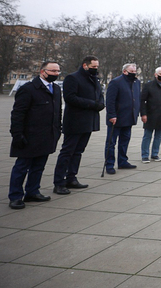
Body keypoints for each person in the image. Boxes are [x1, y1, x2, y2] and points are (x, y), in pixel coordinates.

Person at [8, 61, 62, 209]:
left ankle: (32, 191)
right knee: (21, 167)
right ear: (42, 71)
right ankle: (15, 196)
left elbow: (58, 112)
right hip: (29, 136)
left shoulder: (56, 89)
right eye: (52, 71)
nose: (56, 74)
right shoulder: (28, 89)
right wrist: (17, 135)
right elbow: (18, 114)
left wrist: (58, 129)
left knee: (39, 166)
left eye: (58, 71)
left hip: (47, 135)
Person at [52, 56, 104, 195]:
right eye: (93, 67)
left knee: (78, 151)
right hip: (75, 121)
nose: (95, 69)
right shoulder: (73, 78)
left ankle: (71, 177)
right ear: (85, 65)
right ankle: (59, 182)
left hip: (89, 121)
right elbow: (70, 98)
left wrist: (100, 103)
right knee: (67, 151)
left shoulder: (94, 79)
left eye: (97, 67)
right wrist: (92, 104)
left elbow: (99, 95)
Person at [104, 63, 140, 174]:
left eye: (135, 72)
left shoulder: (136, 82)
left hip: (129, 117)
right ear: (125, 71)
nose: (133, 74)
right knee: (111, 143)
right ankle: (109, 164)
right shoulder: (116, 82)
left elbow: (137, 98)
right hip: (117, 117)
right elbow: (110, 101)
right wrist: (111, 115)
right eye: (131, 72)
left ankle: (122, 161)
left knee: (124, 141)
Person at [139, 67, 161, 163]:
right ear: (155, 74)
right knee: (147, 135)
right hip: (151, 114)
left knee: (159, 136)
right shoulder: (149, 85)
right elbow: (142, 100)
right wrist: (143, 114)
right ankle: (145, 155)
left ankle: (155, 154)